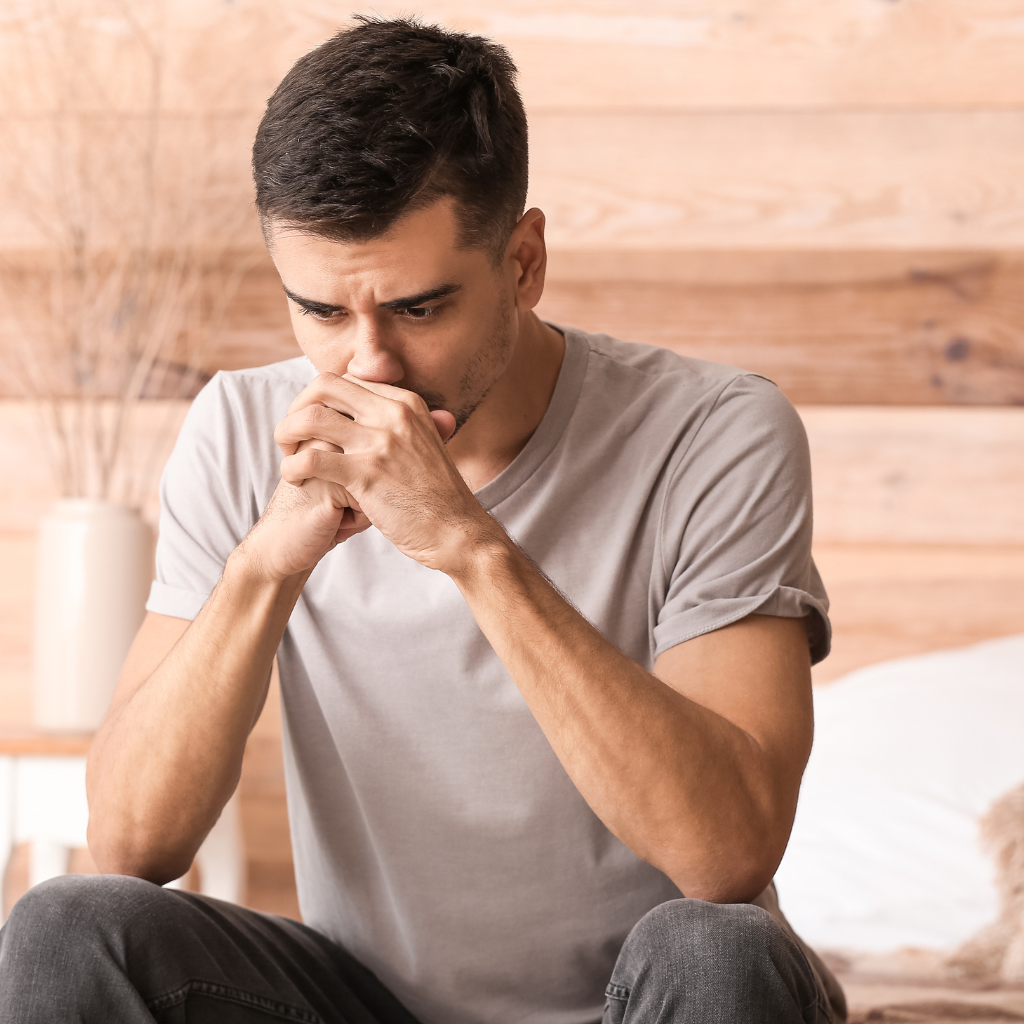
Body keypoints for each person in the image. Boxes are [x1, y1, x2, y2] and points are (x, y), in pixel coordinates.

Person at [0, 16, 846, 1024]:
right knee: (65, 927)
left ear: (523, 261)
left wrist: (469, 545)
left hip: (651, 996)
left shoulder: (713, 431)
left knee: (719, 947)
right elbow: (134, 844)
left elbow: (726, 851)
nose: (368, 366)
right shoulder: (238, 429)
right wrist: (265, 565)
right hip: (366, 1004)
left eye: (418, 307)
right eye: (320, 312)